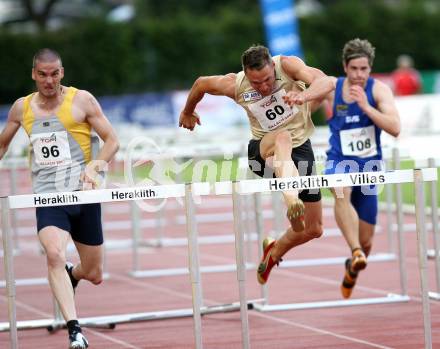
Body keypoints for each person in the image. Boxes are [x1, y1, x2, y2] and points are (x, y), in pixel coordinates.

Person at [179, 44, 335, 285]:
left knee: (313, 229)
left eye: (267, 80)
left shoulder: (289, 66)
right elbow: (201, 83)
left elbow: (327, 82)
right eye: (256, 83)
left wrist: (302, 95)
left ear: (273, 66)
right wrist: (188, 110)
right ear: (245, 74)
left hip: (300, 150)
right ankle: (291, 198)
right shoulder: (236, 84)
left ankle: (274, 250)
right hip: (262, 151)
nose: (263, 88)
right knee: (281, 137)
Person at [0, 48, 119, 348]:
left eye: (54, 74)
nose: (49, 80)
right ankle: (75, 331)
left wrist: (94, 167)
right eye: (42, 74)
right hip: (47, 197)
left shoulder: (82, 100)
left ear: (62, 73)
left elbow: (112, 141)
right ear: (33, 74)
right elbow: (1, 145)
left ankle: (73, 273)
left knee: (94, 273)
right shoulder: (21, 108)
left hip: (83, 194)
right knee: (54, 253)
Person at [323, 39, 400, 298]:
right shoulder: (333, 88)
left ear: (370, 69)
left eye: (363, 69)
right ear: (345, 67)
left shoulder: (379, 91)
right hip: (339, 161)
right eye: (354, 68)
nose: (358, 75)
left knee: (368, 241)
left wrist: (367, 107)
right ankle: (355, 251)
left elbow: (395, 128)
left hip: (369, 166)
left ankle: (354, 261)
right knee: (340, 189)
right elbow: (305, 102)